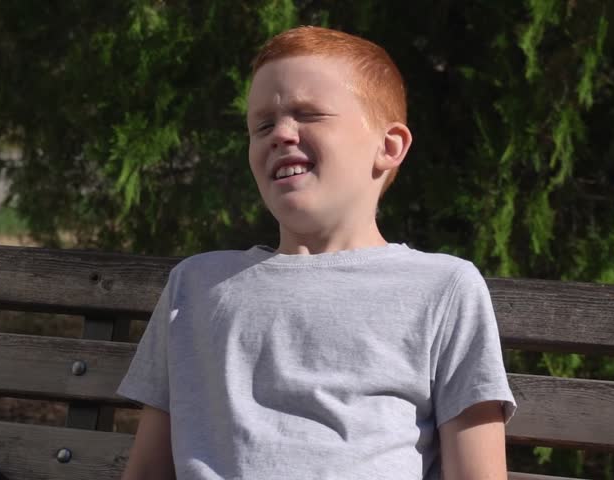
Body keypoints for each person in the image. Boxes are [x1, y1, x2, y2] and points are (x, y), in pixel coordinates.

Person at [118, 25, 516, 480]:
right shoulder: (196, 285)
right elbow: (147, 470)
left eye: (308, 115)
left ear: (389, 147)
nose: (281, 134)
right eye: (262, 125)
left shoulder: (443, 288)